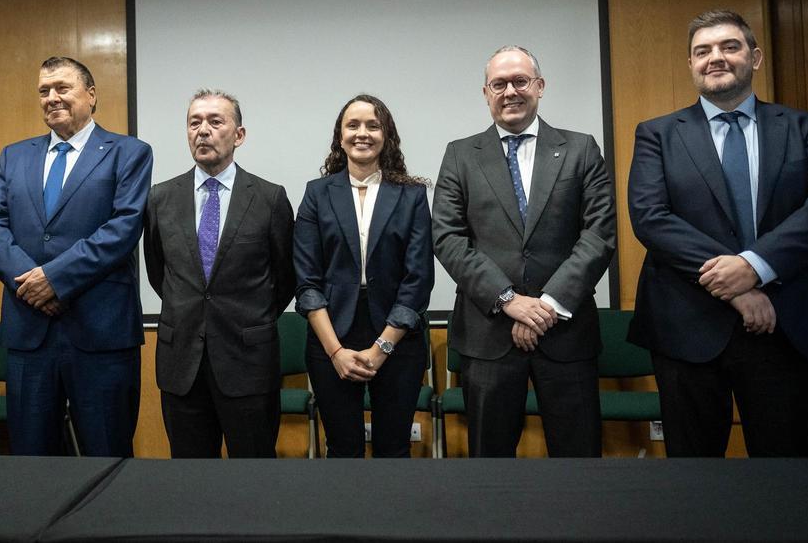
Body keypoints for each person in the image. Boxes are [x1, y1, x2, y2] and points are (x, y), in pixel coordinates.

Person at [627, 9, 808, 457]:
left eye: (729, 47)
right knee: (694, 478)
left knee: (785, 475)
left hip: (784, 324)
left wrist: (753, 267)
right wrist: (736, 287)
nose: (716, 58)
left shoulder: (804, 128)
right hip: (686, 327)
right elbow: (651, 217)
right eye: (702, 51)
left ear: (755, 57)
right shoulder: (657, 135)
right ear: (691, 64)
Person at [433, 45, 616, 457]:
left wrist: (546, 305)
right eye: (499, 84)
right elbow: (448, 238)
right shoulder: (460, 155)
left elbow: (599, 234)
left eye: (520, 81)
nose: (510, 91)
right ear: (485, 92)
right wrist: (508, 300)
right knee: (491, 465)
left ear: (540, 86)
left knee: (580, 463)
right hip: (489, 335)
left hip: (566, 334)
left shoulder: (581, 149)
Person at [0, 55, 153, 457]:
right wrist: (32, 281)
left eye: (62, 88)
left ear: (91, 95)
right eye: (44, 91)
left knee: (107, 457)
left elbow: (122, 228)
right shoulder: (14, 155)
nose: (52, 97)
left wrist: (54, 279)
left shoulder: (129, 152)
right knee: (32, 460)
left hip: (101, 331)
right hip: (30, 329)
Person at [143, 89, 295, 458]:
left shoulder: (269, 198)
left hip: (248, 361)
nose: (203, 131)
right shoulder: (160, 198)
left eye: (215, 121)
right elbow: (158, 271)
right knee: (189, 478)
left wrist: (247, 318)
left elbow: (286, 277)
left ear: (238, 135)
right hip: (182, 365)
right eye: (194, 122)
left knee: (254, 476)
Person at [293, 94, 433, 458]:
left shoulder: (412, 196)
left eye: (373, 125)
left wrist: (382, 348)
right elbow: (307, 283)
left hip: (398, 336)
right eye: (352, 125)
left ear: (387, 135)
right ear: (339, 136)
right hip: (331, 334)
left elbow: (418, 280)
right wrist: (336, 351)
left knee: (394, 449)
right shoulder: (316, 194)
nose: (362, 133)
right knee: (342, 449)